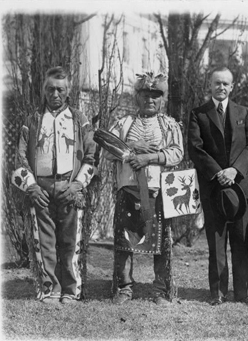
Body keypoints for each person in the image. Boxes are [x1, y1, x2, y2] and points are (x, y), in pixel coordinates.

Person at [13, 66, 97, 304]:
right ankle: (50, 289)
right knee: (45, 241)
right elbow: (19, 159)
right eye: (50, 89)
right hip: (41, 189)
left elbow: (92, 157)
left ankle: (71, 291)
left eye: (60, 89)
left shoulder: (79, 120)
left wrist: (78, 185)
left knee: (71, 242)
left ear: (68, 91)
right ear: (44, 91)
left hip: (69, 188)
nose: (55, 94)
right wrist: (32, 187)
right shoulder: (32, 121)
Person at [103, 72, 183, 306]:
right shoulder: (123, 123)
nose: (150, 100)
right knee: (124, 242)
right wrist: (131, 148)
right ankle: (124, 288)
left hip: (157, 192)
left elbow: (177, 153)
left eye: (155, 96)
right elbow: (108, 150)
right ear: (137, 97)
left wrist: (149, 157)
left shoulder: (169, 124)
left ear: (162, 99)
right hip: (128, 190)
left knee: (160, 243)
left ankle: (159, 290)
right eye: (145, 95)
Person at [188, 67, 248, 306]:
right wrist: (219, 173)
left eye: (226, 84)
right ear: (210, 85)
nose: (221, 87)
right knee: (216, 242)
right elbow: (195, 149)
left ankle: (243, 293)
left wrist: (235, 170)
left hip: (240, 187)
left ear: (232, 86)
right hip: (213, 188)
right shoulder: (199, 114)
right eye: (217, 83)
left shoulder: (244, 112)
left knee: (241, 240)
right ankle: (217, 292)